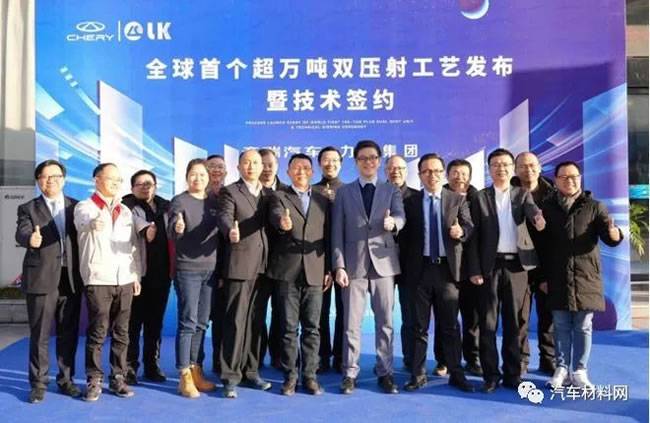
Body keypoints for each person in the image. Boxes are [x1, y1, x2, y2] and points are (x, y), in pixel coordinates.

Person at [467, 148, 546, 393]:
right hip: (489, 267)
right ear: (489, 169)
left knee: (514, 323)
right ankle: (491, 375)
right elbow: (473, 237)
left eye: (505, 165)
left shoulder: (522, 194)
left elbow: (532, 210)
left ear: (512, 169)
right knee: (488, 323)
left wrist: (537, 219)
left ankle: (513, 374)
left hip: (516, 268)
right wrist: (474, 269)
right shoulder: (480, 197)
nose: (501, 168)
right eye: (496, 165)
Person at [541, 161, 623, 389]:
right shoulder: (547, 207)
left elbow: (609, 236)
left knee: (584, 326)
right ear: (556, 181)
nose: (570, 181)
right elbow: (542, 246)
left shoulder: (595, 206)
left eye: (574, 177)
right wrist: (542, 278)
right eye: (564, 177)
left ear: (580, 178)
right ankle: (561, 369)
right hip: (557, 276)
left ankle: (579, 370)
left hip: (586, 276)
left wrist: (615, 234)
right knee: (560, 325)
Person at [332, 140, 405, 395]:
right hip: (353, 266)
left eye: (373, 157)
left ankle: (385, 372)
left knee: (385, 322)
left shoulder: (390, 189)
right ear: (356, 162)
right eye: (363, 158)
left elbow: (401, 216)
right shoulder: (344, 192)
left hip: (384, 263)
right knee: (351, 324)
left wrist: (393, 224)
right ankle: (350, 373)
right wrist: (339, 265)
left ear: (379, 160)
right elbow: (337, 232)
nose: (368, 162)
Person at [401, 153, 475, 393]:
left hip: (446, 271)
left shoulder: (456, 199)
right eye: (426, 171)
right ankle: (418, 374)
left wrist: (461, 232)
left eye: (436, 171)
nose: (431, 175)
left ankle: (456, 373)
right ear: (420, 175)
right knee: (419, 327)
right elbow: (403, 237)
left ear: (443, 174)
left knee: (450, 326)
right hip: (419, 271)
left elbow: (469, 226)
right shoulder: (409, 201)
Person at [15, 160, 84, 403]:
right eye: (45, 177)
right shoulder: (28, 208)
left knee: (68, 333)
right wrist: (30, 239)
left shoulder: (77, 207)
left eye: (55, 176)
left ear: (64, 179)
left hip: (71, 278)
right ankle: (38, 383)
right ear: (38, 181)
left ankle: (66, 380)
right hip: (41, 277)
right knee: (40, 334)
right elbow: (22, 231)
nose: (50, 180)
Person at [74, 163, 141, 402]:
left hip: (125, 279)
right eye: (111, 178)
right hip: (98, 278)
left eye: (118, 180)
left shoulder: (125, 211)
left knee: (122, 332)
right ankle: (94, 379)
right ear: (97, 179)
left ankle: (118, 377)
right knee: (98, 331)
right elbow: (82, 222)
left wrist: (135, 275)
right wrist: (92, 224)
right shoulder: (85, 206)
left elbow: (133, 246)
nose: (115, 183)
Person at [266, 153, 332, 396]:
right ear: (288, 172)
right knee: (288, 328)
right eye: (296, 168)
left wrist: (329, 269)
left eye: (306, 167)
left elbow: (329, 236)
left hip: (315, 270)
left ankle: (310, 376)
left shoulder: (323, 199)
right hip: (287, 272)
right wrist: (281, 224)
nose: (301, 171)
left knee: (313, 328)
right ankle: (290, 377)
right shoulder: (278, 196)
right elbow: (276, 216)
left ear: (312, 172)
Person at [217, 149, 272, 399]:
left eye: (256, 163)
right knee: (236, 321)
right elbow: (224, 217)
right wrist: (230, 230)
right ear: (238, 167)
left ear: (263, 167)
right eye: (246, 162)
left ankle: (251, 371)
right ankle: (230, 376)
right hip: (239, 265)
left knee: (256, 322)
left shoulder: (269, 194)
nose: (251, 166)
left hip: (263, 267)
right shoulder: (230, 191)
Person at [167, 159, 219, 398]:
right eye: (193, 174)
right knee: (188, 321)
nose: (198, 179)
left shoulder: (214, 202)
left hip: (211, 269)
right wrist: (177, 227)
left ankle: (196, 369)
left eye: (202, 175)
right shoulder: (180, 200)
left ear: (208, 178)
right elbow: (172, 228)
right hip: (188, 269)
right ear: (187, 176)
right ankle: (184, 374)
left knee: (202, 323)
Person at [122, 170, 171, 385]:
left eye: (149, 183)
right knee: (132, 324)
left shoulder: (166, 206)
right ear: (132, 188)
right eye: (140, 184)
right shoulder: (126, 207)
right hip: (135, 275)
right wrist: (146, 229)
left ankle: (152, 365)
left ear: (156, 186)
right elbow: (137, 224)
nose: (145, 187)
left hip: (161, 274)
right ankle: (130, 367)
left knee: (155, 323)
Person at [512, 152, 556, 376]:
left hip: (547, 265)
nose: (527, 170)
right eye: (522, 166)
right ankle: (521, 359)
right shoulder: (507, 193)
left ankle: (549, 359)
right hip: (518, 264)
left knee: (548, 317)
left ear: (539, 167)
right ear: (515, 169)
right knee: (520, 316)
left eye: (532, 165)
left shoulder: (554, 195)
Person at [444, 159, 482, 376]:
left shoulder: (479, 198)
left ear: (470, 176)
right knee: (446, 317)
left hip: (472, 268)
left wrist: (463, 233)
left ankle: (472, 358)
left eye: (464, 173)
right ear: (447, 175)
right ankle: (444, 359)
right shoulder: (439, 197)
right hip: (446, 267)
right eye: (455, 173)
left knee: (472, 318)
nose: (459, 177)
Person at [312, 146, 345, 373]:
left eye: (334, 160)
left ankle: (341, 356)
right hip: (317, 260)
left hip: (344, 262)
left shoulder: (349, 191)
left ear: (341, 164)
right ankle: (321, 356)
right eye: (325, 160)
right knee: (319, 312)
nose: (330, 164)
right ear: (319, 163)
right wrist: (325, 267)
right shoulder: (311, 191)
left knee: (344, 311)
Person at [385, 155, 418, 372]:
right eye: (391, 168)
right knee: (384, 317)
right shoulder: (377, 195)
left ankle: (411, 358)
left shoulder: (417, 197)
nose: (395, 171)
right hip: (381, 264)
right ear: (385, 171)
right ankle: (384, 361)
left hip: (409, 265)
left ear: (406, 171)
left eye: (400, 168)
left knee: (410, 316)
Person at [257, 148, 288, 370]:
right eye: (263, 164)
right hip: (256, 262)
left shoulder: (288, 192)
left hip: (283, 262)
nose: (267, 169)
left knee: (281, 312)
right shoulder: (247, 191)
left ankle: (279, 355)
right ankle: (256, 355)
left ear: (277, 166)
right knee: (256, 312)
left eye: (271, 164)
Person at [198, 154, 228, 375]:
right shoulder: (196, 196)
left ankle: (220, 362)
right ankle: (195, 364)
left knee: (222, 319)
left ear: (226, 172)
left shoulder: (232, 195)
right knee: (199, 320)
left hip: (226, 267)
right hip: (199, 267)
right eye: (211, 167)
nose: (216, 170)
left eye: (220, 167)